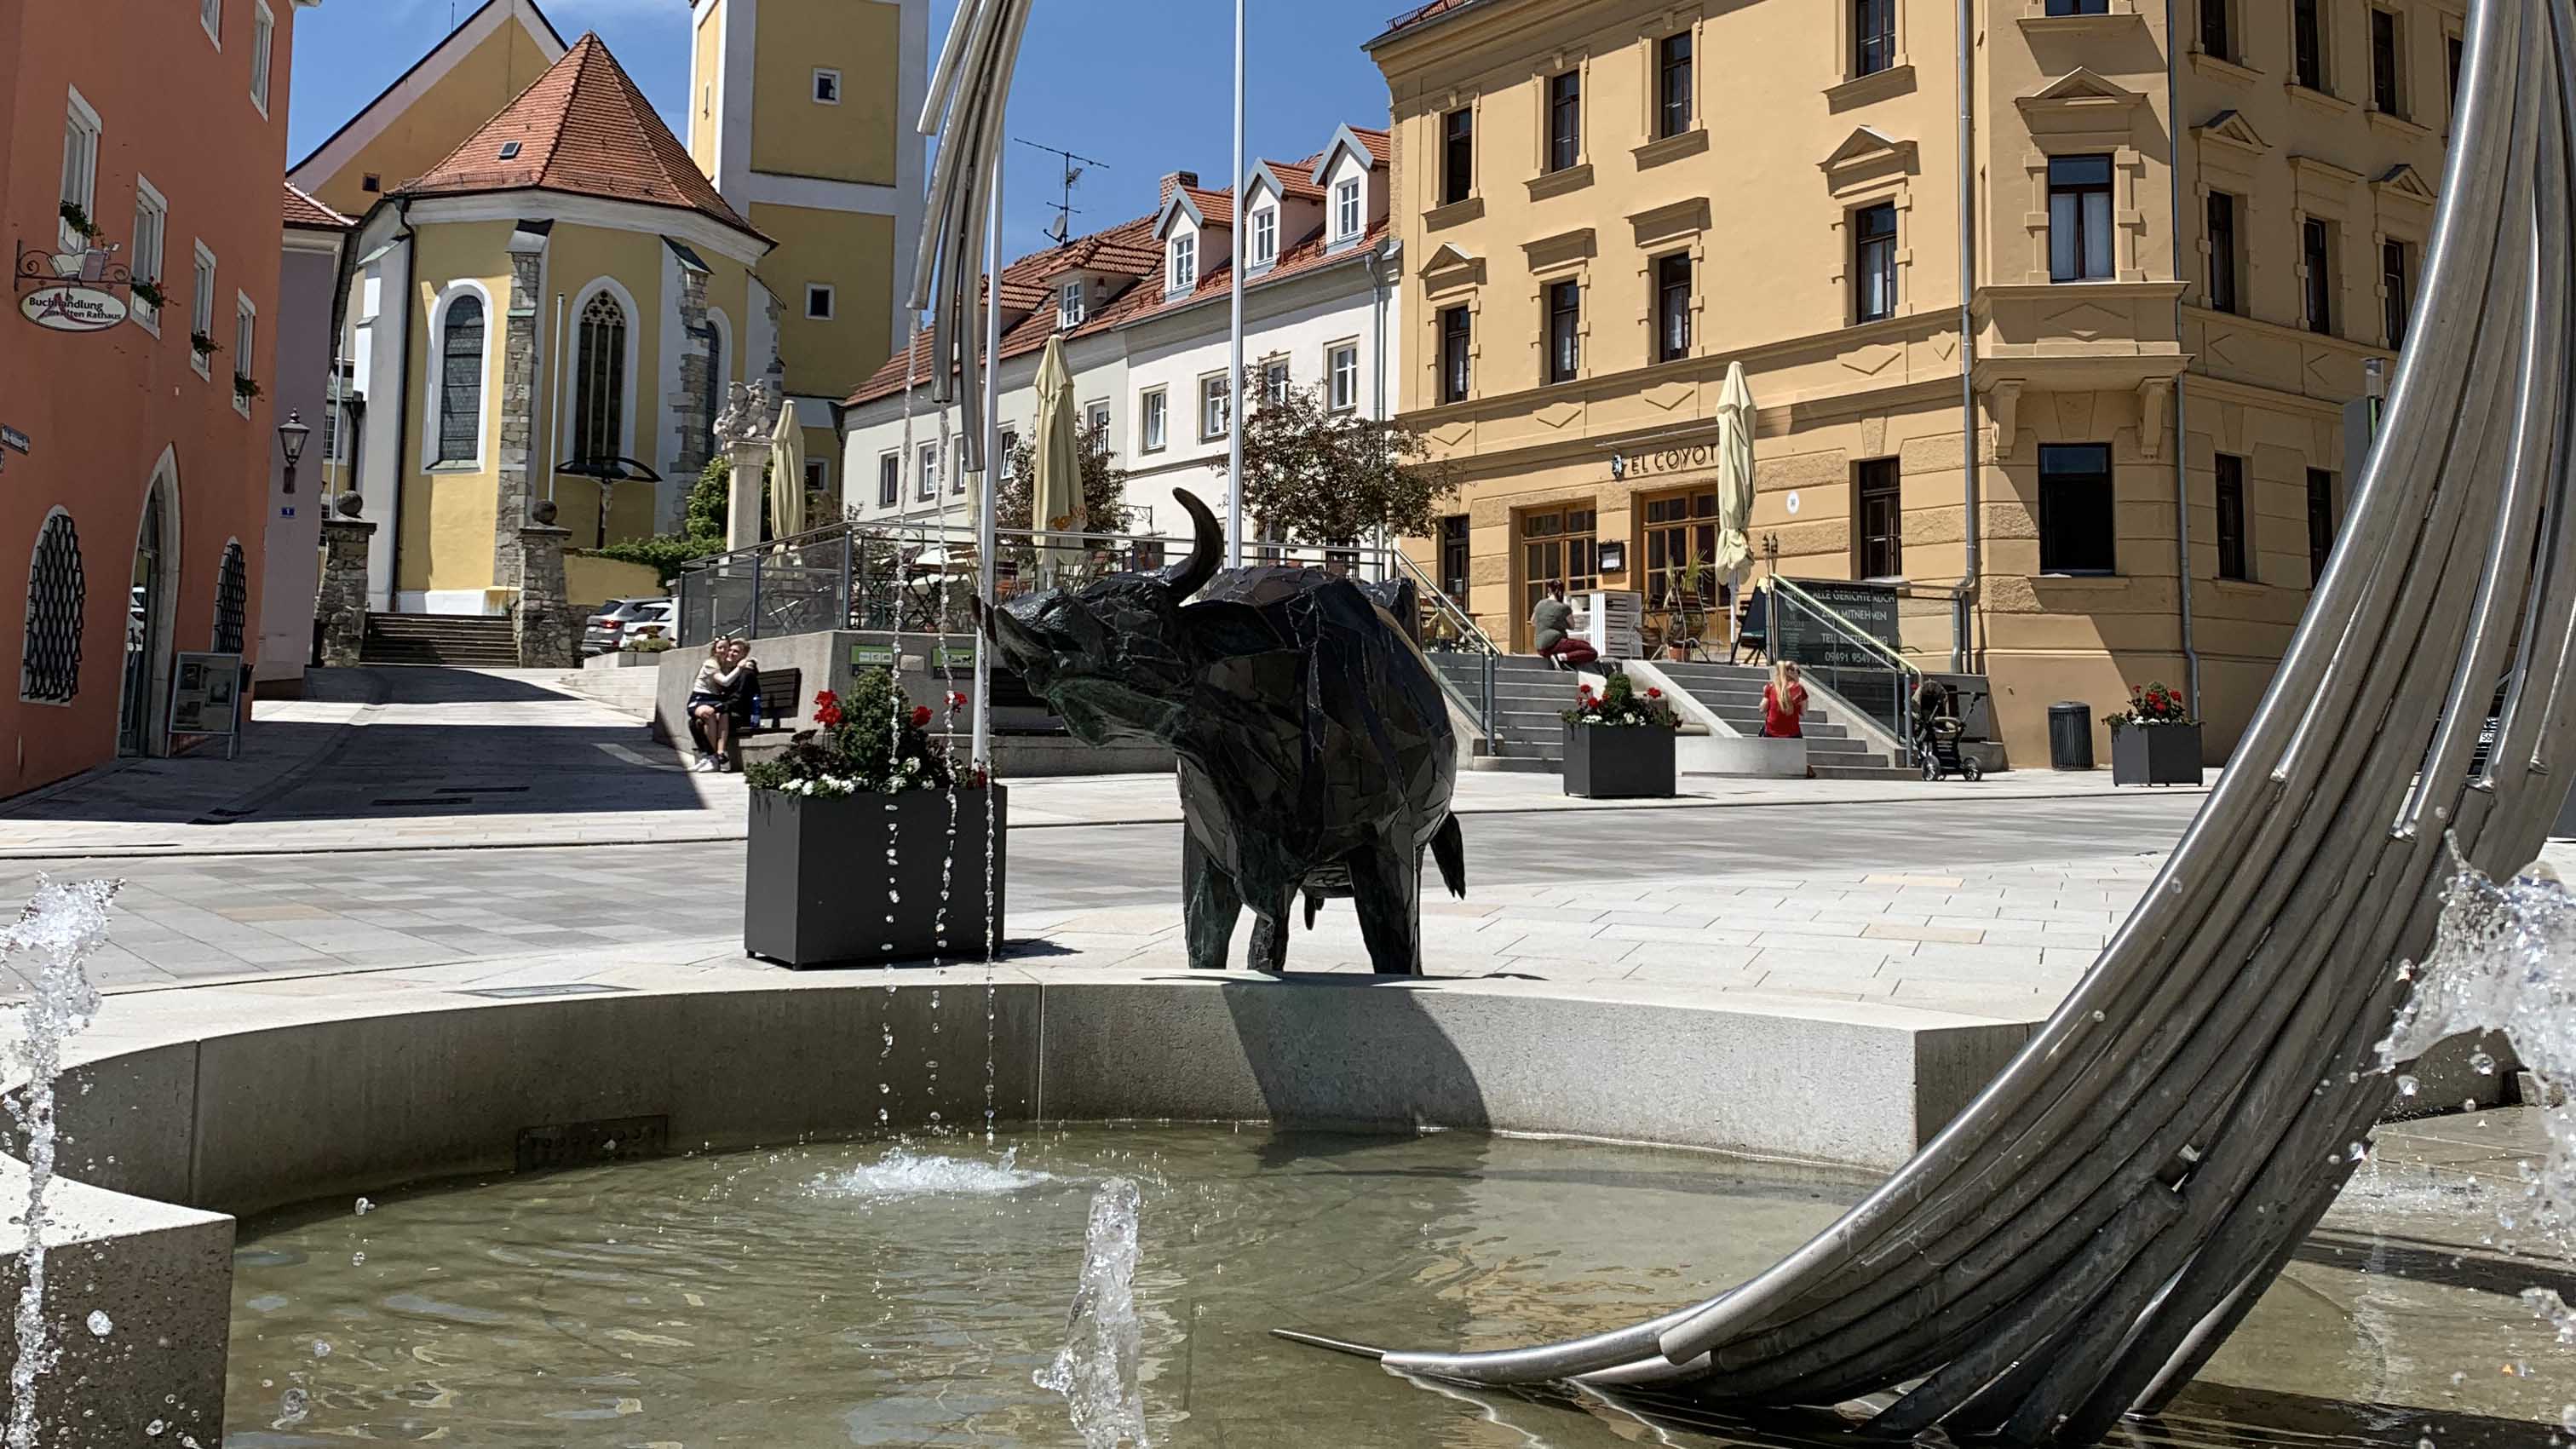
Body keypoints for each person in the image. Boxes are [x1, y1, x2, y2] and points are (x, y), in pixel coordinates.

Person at [687, 636, 762, 773]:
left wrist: (720, 706)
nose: (730, 653)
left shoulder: (746, 673)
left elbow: (738, 699)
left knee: (715, 714)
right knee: (695, 722)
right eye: (730, 650)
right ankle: (711, 757)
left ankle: (715, 757)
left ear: (744, 655)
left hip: (740, 714)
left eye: (736, 652)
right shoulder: (726, 666)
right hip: (724, 708)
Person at [1531, 583, 1598, 670]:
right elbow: (1572, 626)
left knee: (1583, 645)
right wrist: (1561, 623)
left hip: (1540, 649)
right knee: (1591, 651)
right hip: (1555, 644)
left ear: (1549, 591)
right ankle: (1561, 657)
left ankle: (1563, 658)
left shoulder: (1540, 604)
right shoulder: (1564, 608)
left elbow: (1533, 622)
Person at [1761, 659, 1808, 739]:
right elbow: (1803, 712)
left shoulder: (1770, 687)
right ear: (1791, 672)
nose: (1799, 676)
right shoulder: (1799, 689)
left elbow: (1762, 709)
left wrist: (1765, 693)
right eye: (1798, 672)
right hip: (1792, 734)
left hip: (1771, 733)